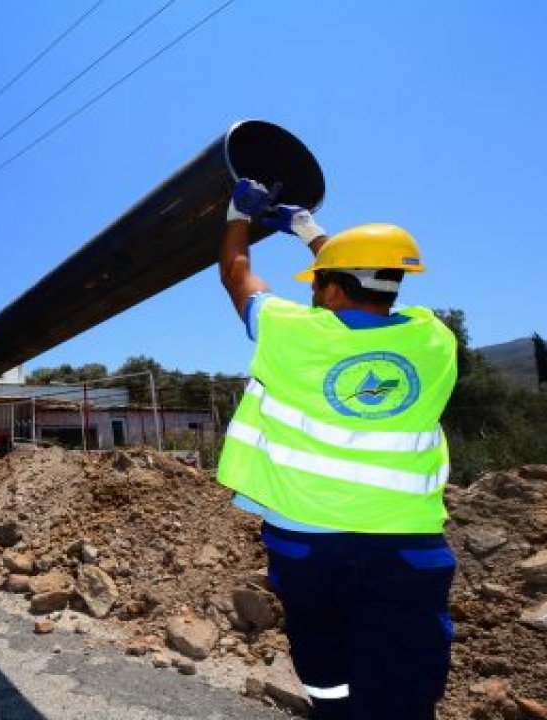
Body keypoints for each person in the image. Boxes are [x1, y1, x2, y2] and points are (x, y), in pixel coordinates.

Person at [216, 179, 458, 720]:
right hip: (407, 546)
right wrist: (313, 233)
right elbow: (371, 282)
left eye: (319, 286)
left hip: (306, 547)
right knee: (405, 682)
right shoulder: (435, 340)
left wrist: (237, 217)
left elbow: (236, 274)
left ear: (328, 291)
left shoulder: (292, 332)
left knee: (326, 669)